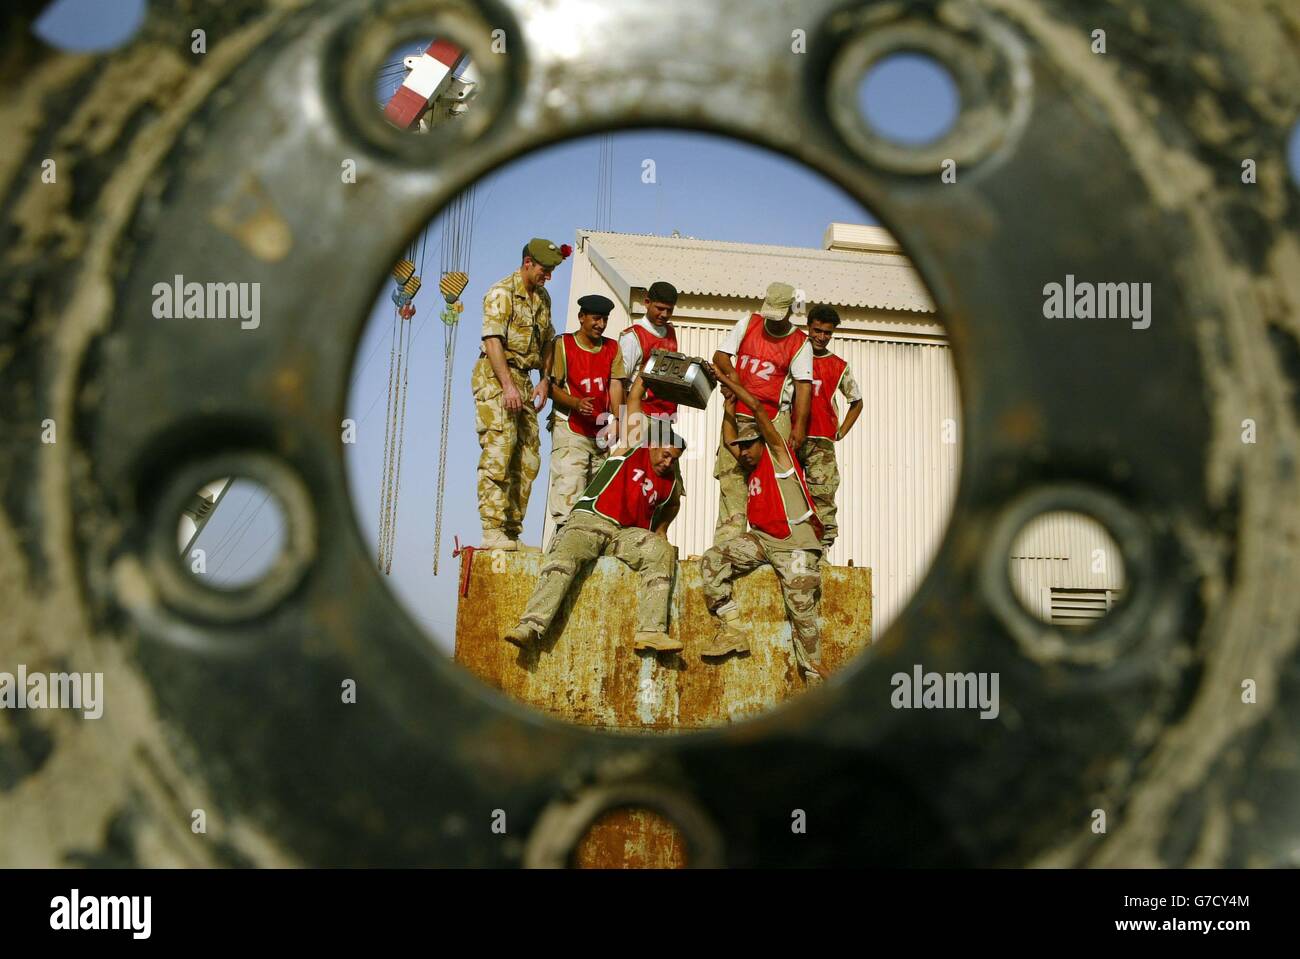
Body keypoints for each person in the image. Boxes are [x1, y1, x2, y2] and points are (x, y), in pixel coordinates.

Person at [502, 375, 686, 654]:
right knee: (566, 555)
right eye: (665, 454)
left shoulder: (670, 479)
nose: (667, 461)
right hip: (592, 520)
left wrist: (661, 531)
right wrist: (648, 376)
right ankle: (531, 624)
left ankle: (651, 631)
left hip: (623, 535)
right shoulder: (635, 444)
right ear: (654, 444)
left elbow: (673, 505)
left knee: (661, 551)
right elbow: (634, 398)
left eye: (674, 458)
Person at [698, 365, 829, 684]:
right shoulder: (751, 462)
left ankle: (815, 676)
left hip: (796, 544)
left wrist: (727, 379)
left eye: (748, 445)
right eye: (741, 448)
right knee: (712, 560)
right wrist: (727, 404)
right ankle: (732, 628)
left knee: (801, 612)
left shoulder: (779, 455)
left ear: (762, 441)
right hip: (763, 542)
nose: (742, 452)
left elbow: (756, 408)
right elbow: (731, 440)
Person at [473, 238, 566, 550]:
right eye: (544, 269)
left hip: (526, 379)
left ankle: (511, 531)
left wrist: (545, 380)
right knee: (500, 449)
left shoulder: (543, 298)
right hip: (497, 376)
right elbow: (492, 341)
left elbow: (549, 340)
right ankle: (492, 529)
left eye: (552, 270)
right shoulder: (501, 293)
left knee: (528, 457)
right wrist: (508, 385)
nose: (548, 276)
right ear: (528, 262)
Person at [710, 281, 813, 545]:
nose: (774, 322)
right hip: (738, 415)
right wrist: (733, 379)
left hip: (772, 420)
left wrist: (799, 428)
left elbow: (803, 388)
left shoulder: (800, 342)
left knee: (770, 483)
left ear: (791, 310)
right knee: (732, 479)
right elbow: (720, 356)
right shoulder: (748, 324)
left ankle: (769, 544)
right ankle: (727, 547)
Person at [546, 293, 628, 526]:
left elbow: (615, 384)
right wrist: (575, 403)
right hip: (570, 429)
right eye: (596, 318)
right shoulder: (563, 344)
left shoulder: (612, 348)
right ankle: (562, 546)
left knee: (597, 499)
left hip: (599, 434)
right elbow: (551, 387)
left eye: (605, 319)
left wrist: (619, 419)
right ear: (581, 317)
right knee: (568, 492)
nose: (600, 325)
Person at [800, 304, 863, 550]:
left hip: (822, 441)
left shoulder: (839, 365)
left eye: (827, 333)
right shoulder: (793, 354)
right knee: (786, 493)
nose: (821, 337)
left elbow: (857, 402)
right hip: (789, 437)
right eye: (817, 330)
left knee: (823, 497)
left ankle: (821, 550)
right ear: (809, 327)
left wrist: (841, 431)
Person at [617, 280, 680, 442]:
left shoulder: (670, 332)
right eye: (659, 308)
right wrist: (624, 421)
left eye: (669, 310)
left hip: (665, 417)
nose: (664, 314)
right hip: (640, 415)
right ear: (647, 302)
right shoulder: (633, 337)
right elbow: (619, 383)